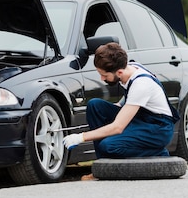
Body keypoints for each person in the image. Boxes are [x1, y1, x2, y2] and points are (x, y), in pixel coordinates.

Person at [63, 42, 179, 178]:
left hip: (158, 129)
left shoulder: (141, 84)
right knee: (95, 106)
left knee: (109, 146)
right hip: (141, 119)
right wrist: (119, 106)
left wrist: (81, 137)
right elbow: (130, 99)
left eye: (104, 75)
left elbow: (117, 127)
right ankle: (103, 167)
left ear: (119, 72)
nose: (101, 78)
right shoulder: (130, 69)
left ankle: (157, 152)